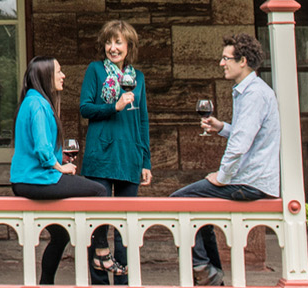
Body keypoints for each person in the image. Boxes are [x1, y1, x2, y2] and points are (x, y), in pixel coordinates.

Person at [172, 34, 280, 286]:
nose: (221, 63)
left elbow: (241, 145)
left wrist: (222, 177)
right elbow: (250, 135)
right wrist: (222, 127)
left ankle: (203, 269)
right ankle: (210, 273)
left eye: (225, 58)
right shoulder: (250, 91)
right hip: (252, 178)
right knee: (199, 211)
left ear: (243, 61)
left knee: (177, 201)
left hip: (249, 181)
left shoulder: (254, 94)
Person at [11, 56, 109, 285]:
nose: (63, 75)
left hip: (27, 179)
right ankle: (102, 253)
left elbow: (35, 147)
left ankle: (46, 283)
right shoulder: (38, 105)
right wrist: (59, 166)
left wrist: (59, 158)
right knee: (100, 191)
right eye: (59, 71)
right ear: (45, 76)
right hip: (38, 180)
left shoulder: (31, 100)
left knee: (61, 234)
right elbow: (42, 149)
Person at [77, 20, 150, 285]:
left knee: (125, 227)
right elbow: (85, 108)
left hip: (130, 156)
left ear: (129, 46)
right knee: (99, 222)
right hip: (101, 154)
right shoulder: (96, 71)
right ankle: (99, 282)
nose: (112, 47)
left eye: (118, 42)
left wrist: (147, 161)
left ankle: (123, 282)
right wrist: (114, 106)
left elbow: (142, 120)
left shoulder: (137, 77)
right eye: (108, 42)